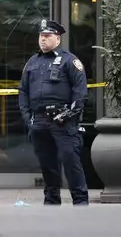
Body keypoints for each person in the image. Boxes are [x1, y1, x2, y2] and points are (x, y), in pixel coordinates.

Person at [18, 19, 89, 205]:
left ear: (57, 39)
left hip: (63, 122)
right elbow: (23, 91)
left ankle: (81, 203)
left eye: (47, 36)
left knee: (71, 163)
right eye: (41, 36)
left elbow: (80, 92)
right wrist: (28, 119)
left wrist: (70, 114)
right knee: (48, 166)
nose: (43, 40)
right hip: (39, 122)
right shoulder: (32, 62)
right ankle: (51, 203)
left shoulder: (69, 61)